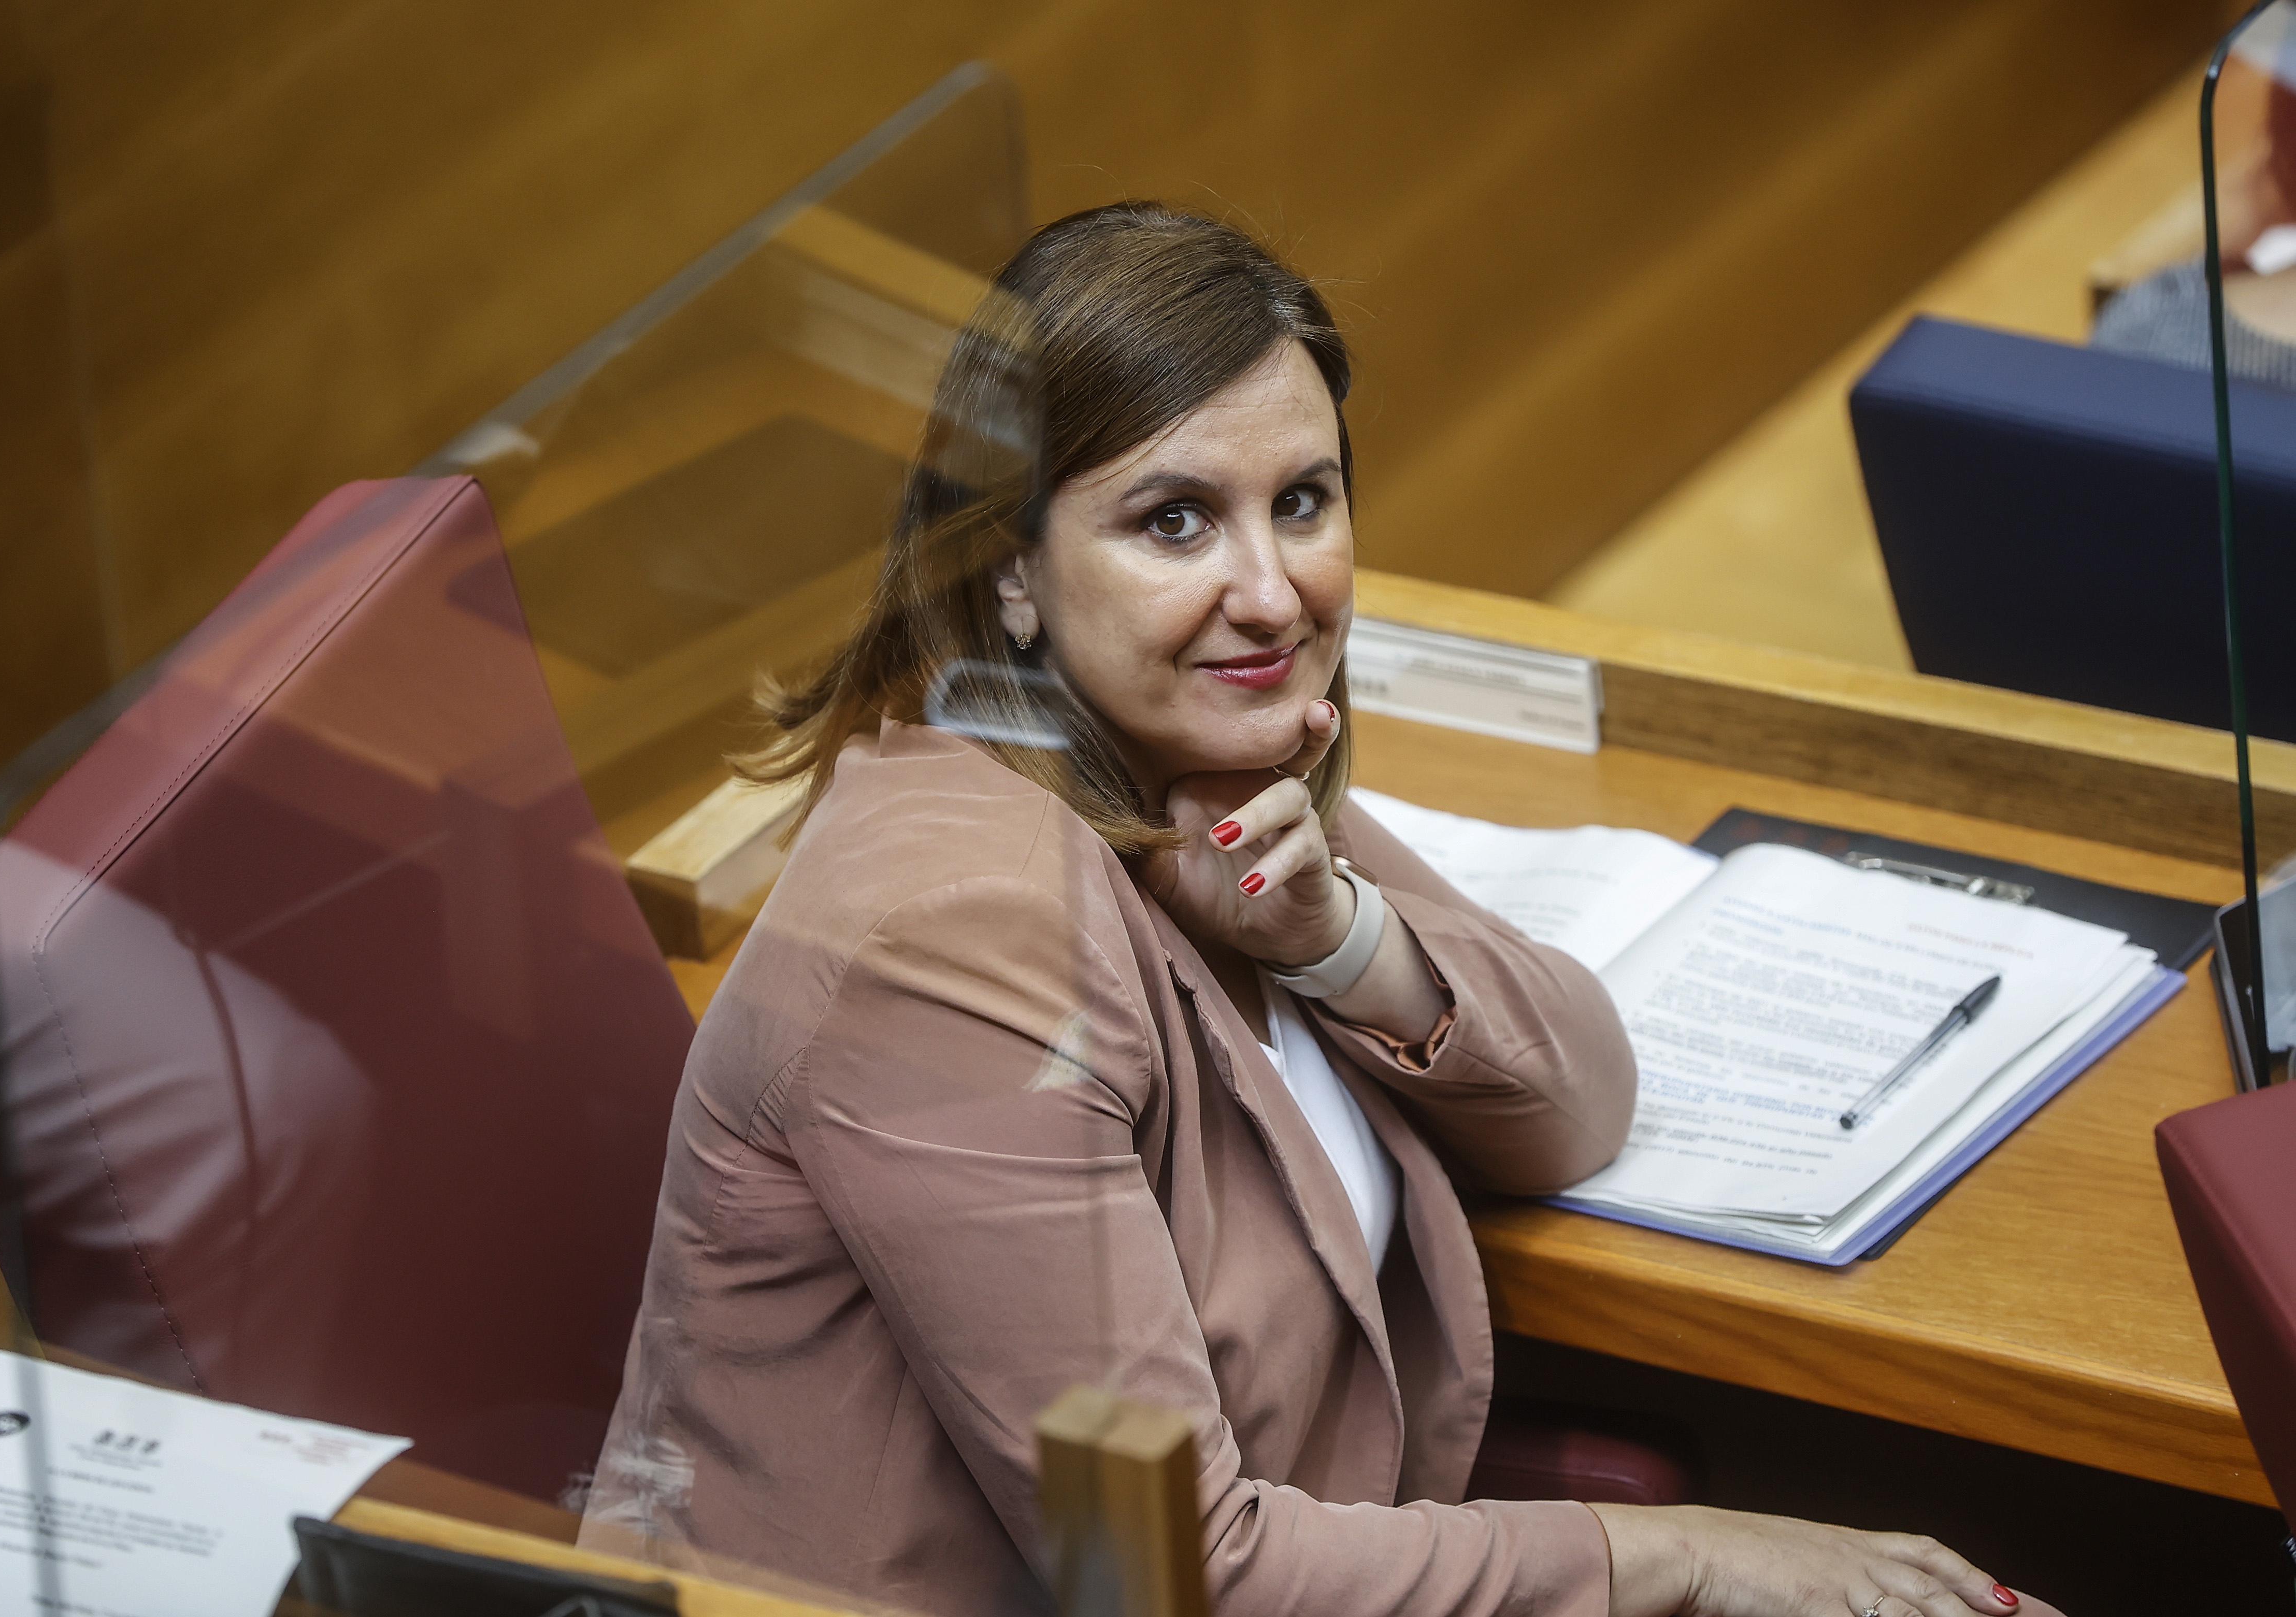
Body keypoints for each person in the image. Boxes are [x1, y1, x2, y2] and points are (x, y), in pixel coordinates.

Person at [582, 203, 2055, 1617]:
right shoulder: (956, 932)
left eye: (1301, 501)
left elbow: (1579, 1100)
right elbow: (1177, 1574)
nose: (1273, 591)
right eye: (1173, 522)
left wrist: (1337, 938)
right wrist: (1676, 1557)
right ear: (1013, 572)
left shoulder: (1183, 756)